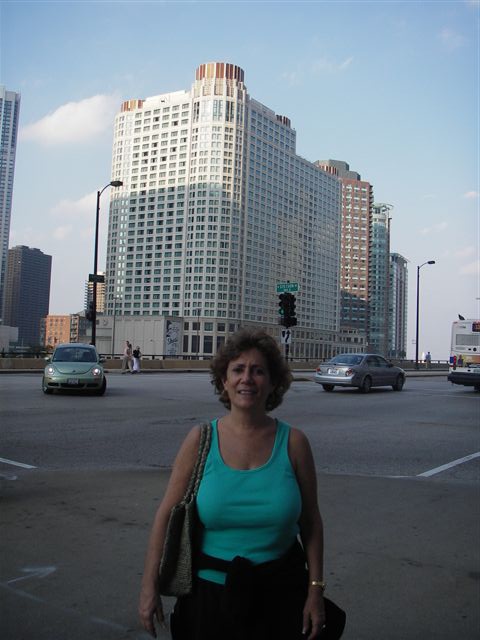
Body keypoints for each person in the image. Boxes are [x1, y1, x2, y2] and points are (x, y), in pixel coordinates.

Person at [139, 328, 326, 640]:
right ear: (224, 380)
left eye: (258, 371)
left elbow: (311, 522)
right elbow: (166, 515)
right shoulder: (200, 440)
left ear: (273, 382)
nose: (247, 379)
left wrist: (315, 590)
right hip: (209, 598)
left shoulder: (294, 443)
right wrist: (149, 586)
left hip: (281, 594)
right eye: (238, 370)